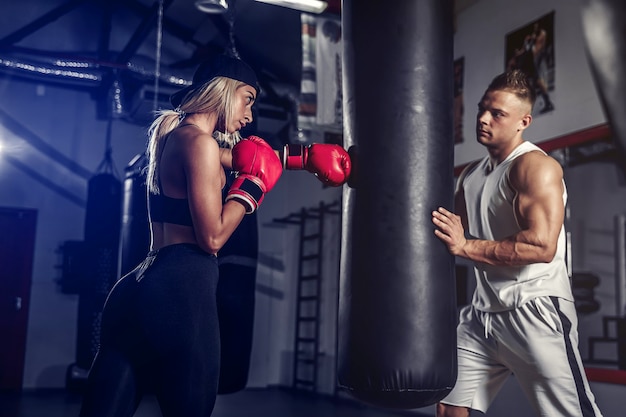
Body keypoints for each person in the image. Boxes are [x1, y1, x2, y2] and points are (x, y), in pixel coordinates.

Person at [79, 54, 351, 417]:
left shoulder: (171, 136)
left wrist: (300, 157)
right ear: (223, 91)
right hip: (183, 286)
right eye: (248, 99)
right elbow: (213, 238)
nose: (250, 115)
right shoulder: (202, 145)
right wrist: (251, 189)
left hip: (137, 285)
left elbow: (242, 157)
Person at [431, 70, 603, 417]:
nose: (482, 118)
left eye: (497, 114)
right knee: (451, 408)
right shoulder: (470, 176)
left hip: (535, 310)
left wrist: (465, 247)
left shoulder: (535, 167)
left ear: (523, 121)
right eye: (482, 108)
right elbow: (451, 232)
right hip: (482, 315)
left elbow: (541, 247)